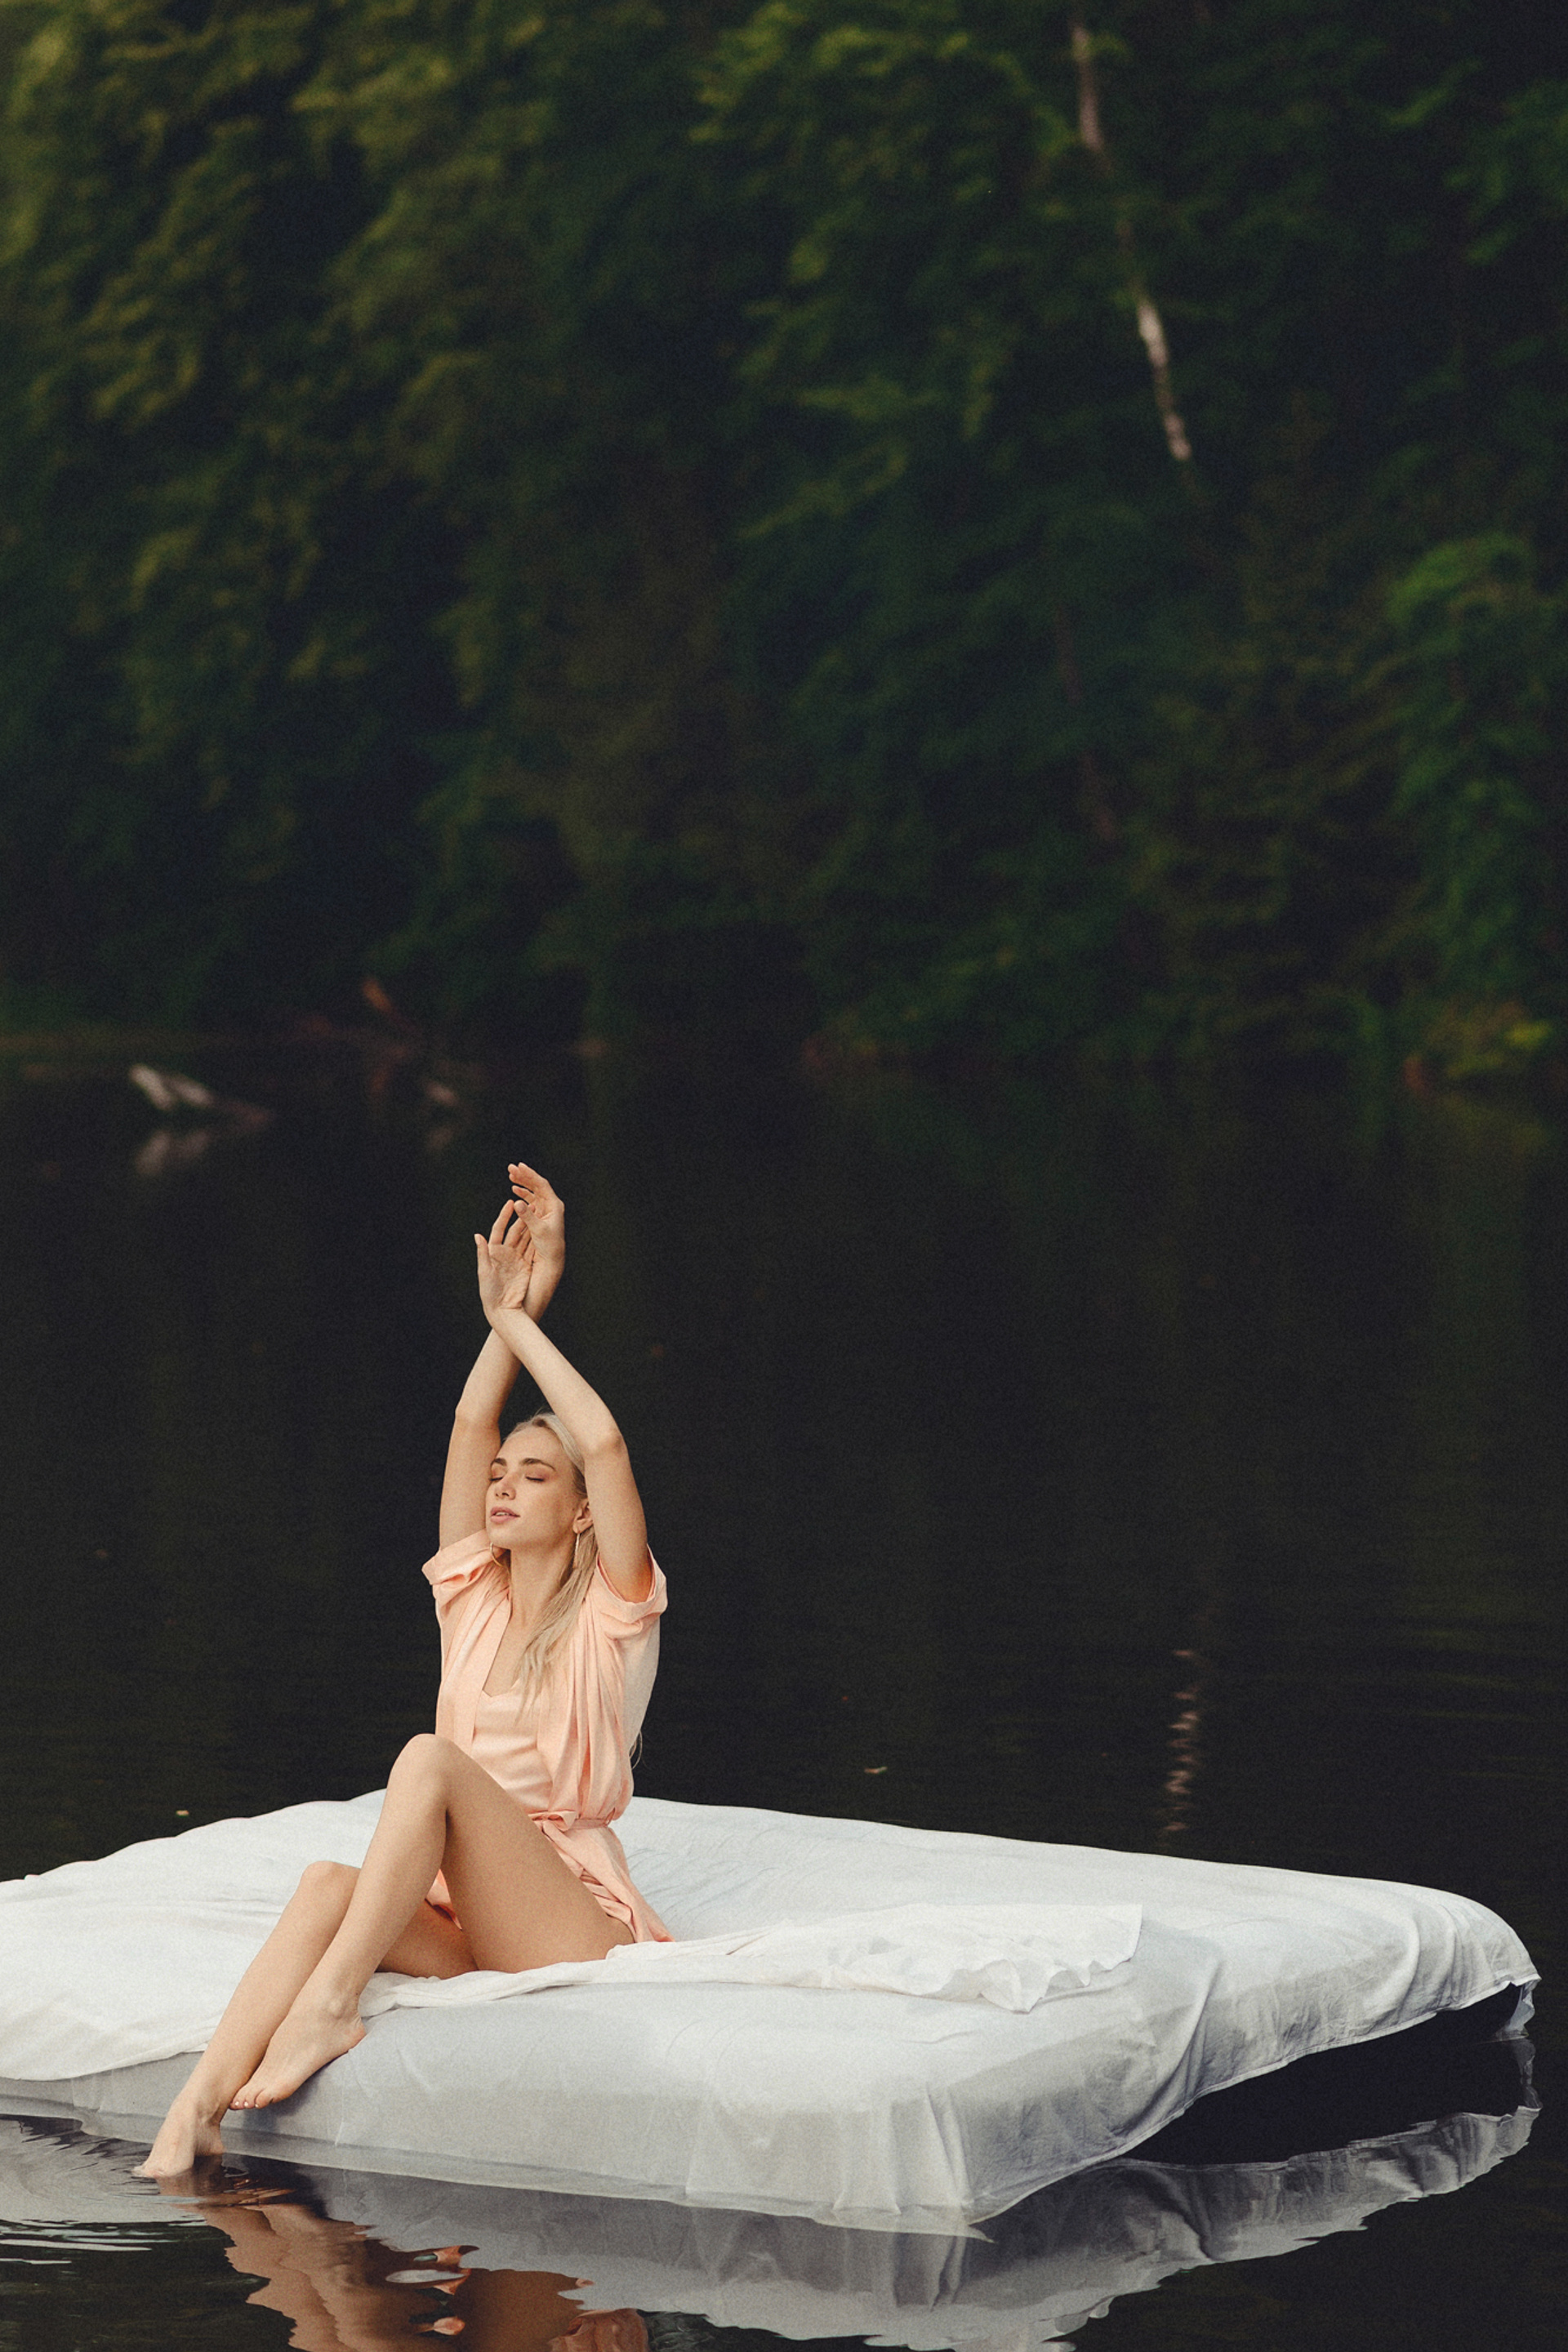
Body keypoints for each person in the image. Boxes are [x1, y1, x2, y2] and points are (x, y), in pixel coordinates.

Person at [137, 1163, 667, 2178]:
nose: (504, 1488)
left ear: (583, 1510)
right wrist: (512, 1307)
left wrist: (523, 1325)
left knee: (428, 1761)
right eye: (501, 1479)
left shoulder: (613, 1614)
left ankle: (330, 2006)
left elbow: (602, 1441)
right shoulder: (473, 1599)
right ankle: (195, 2110)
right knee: (327, 1884)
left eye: (535, 1477)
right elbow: (473, 1426)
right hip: (473, 1913)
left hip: (568, 1921)